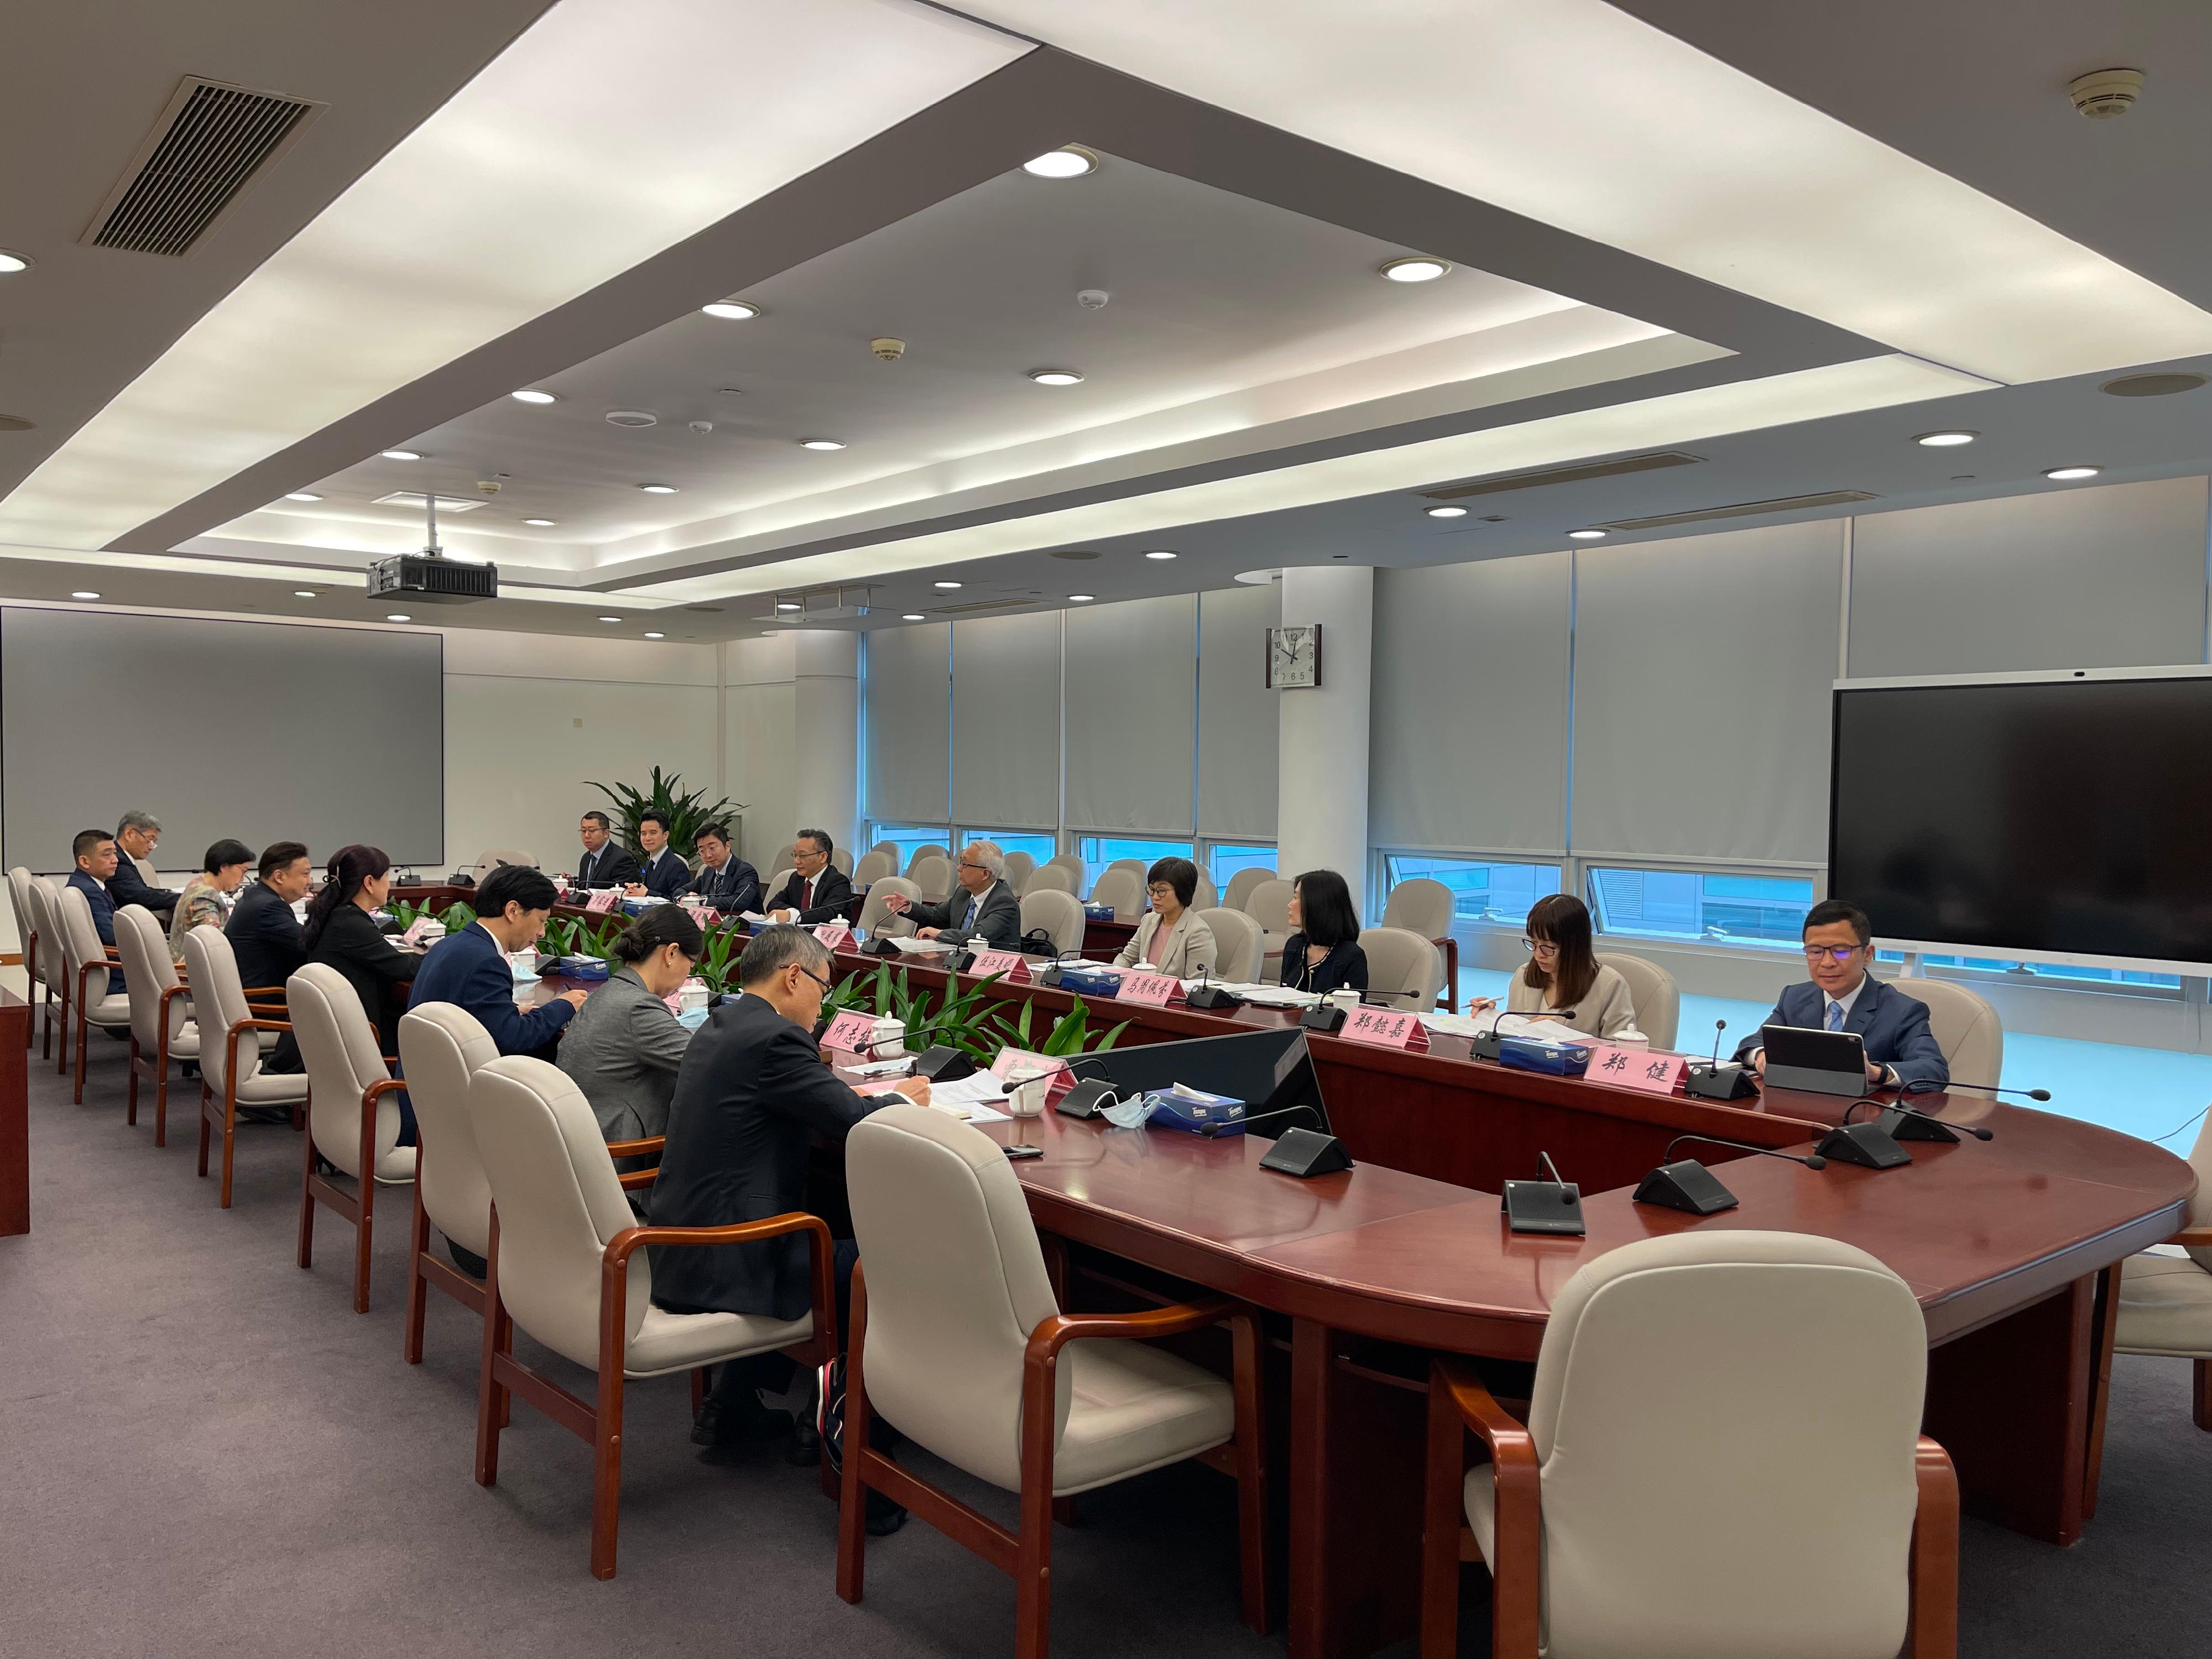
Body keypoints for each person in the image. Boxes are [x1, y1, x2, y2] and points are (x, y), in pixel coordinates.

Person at [648, 926, 927, 1522]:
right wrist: (906, 1098)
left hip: (685, 1237)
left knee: (826, 1225)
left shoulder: (722, 1021)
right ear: (792, 976)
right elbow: (855, 1120)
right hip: (731, 1253)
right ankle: (850, 1439)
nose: (823, 1004)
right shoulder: (777, 1039)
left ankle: (735, 1400)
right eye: (823, 987)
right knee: (871, 1269)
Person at [1734, 899, 1948, 1090]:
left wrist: (1876, 1072)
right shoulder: (1794, 997)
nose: (1827, 963)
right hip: (1802, 1108)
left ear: (1868, 955)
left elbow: (1933, 1070)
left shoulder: (1903, 1011)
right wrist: (1761, 1056)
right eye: (1816, 951)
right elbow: (1751, 1044)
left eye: (1841, 951)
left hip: (1864, 1118)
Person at [557, 904, 702, 1156]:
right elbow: (706, 1059)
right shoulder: (639, 1007)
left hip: (577, 1146)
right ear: (671, 953)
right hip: (614, 1162)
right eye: (691, 964)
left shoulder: (608, 991)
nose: (689, 974)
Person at [406, 864, 588, 1058]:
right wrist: (563, 1006)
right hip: (454, 1084)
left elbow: (464, 1010)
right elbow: (514, 1039)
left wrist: (506, 1012)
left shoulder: (449, 944)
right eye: (541, 920)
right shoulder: (487, 963)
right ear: (513, 911)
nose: (542, 932)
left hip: (422, 1076)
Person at [299, 844, 418, 1058]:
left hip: (338, 1033)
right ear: (370, 883)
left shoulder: (336, 914)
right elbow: (405, 968)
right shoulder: (349, 923)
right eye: (387, 877)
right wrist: (442, 956)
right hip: (358, 1041)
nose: (389, 885)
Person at [1468, 894, 1640, 1039]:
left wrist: (1560, 1036)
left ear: (1575, 946)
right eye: (1534, 943)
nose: (1538, 954)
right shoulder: (1524, 975)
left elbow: (1620, 1051)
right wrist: (1491, 1018)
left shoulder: (1609, 985)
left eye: (1548, 947)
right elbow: (1514, 1030)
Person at [881, 840, 1021, 949]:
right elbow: (936, 915)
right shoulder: (964, 893)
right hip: (960, 960)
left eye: (965, 864)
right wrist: (908, 907)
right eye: (961, 862)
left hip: (993, 972)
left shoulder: (1004, 902)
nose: (959, 868)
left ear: (985, 873)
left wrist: (939, 934)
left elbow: (978, 935)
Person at [226, 841, 312, 998]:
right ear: (279, 876)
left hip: (250, 992)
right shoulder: (269, 907)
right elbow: (308, 945)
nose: (310, 882)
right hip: (266, 1004)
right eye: (305, 874)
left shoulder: (255, 894)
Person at [1111, 856, 1219, 976]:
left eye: (1161, 891)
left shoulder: (1198, 933)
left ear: (1182, 891)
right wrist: (1114, 974)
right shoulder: (1149, 920)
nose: (1154, 897)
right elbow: (1126, 959)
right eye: (1151, 889)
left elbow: (1196, 985)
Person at [1279, 869, 1368, 996]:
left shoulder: (1351, 956)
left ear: (1316, 905)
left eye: (1296, 898)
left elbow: (1352, 1011)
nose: (1290, 905)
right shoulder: (1295, 946)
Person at [169, 838, 254, 963]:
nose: (242, 879)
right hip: (193, 973)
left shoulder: (197, 884)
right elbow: (212, 940)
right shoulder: (205, 896)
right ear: (224, 867)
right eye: (243, 871)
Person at [65, 828, 126, 994]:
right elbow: (111, 936)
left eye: (115, 853)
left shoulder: (86, 883)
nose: (115, 860)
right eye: (107, 855)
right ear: (85, 861)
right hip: (115, 977)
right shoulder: (90, 892)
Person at [764, 828, 852, 925]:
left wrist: (792, 916)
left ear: (823, 857)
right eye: (795, 855)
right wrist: (792, 913)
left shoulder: (838, 882)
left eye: (803, 856)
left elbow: (827, 914)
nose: (796, 862)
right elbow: (773, 904)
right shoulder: (797, 879)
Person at [109, 810, 176, 920]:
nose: (151, 847)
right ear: (129, 834)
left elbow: (142, 892)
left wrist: (170, 893)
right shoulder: (117, 862)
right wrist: (184, 898)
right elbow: (141, 897)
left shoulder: (124, 859)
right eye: (150, 839)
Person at [687, 821, 760, 914]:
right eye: (702, 851)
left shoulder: (746, 872)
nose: (708, 855)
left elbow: (739, 902)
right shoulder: (709, 871)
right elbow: (682, 890)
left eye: (712, 848)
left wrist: (702, 901)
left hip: (744, 926)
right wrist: (683, 898)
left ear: (727, 847)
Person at [625, 810, 692, 901]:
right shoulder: (649, 862)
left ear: (665, 835)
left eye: (653, 833)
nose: (647, 838)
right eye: (643, 834)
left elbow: (679, 901)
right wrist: (637, 889)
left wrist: (647, 893)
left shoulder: (677, 866)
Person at [573, 811, 640, 890]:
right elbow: (586, 888)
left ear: (606, 833)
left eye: (592, 831)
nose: (587, 835)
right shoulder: (586, 858)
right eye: (584, 831)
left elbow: (622, 892)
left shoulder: (622, 858)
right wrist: (572, 883)